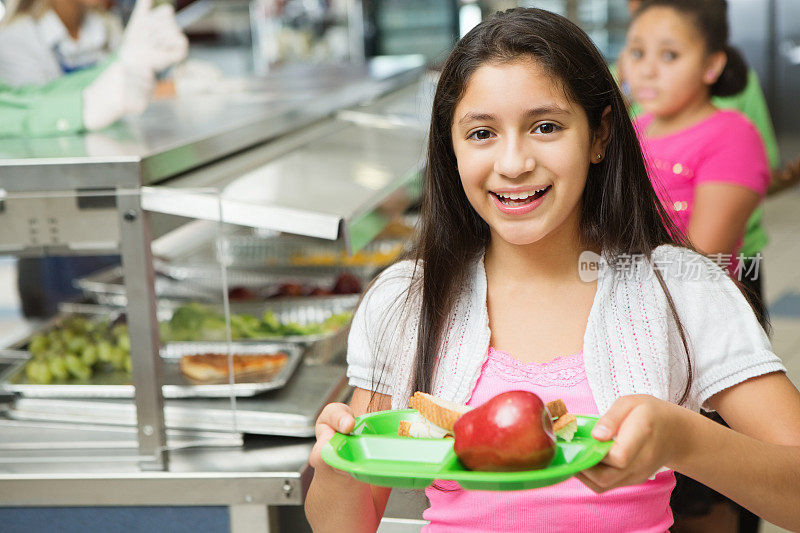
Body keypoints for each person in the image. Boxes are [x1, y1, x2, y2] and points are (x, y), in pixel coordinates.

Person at [305, 8, 800, 532]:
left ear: (600, 135)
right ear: (450, 148)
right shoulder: (409, 300)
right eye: (481, 134)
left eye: (545, 126)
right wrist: (334, 466)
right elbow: (344, 524)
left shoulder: (678, 289)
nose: (514, 163)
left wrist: (685, 439)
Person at [0, 0, 187, 137]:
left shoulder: (103, 24)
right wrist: (82, 108)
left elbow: (31, 95)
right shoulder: (15, 38)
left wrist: (126, 60)